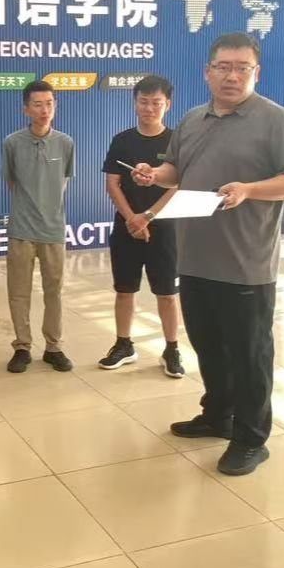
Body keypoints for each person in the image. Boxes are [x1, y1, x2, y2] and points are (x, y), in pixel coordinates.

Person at [132, 32, 284, 475]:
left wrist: (249, 190)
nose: (232, 76)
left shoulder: (276, 121)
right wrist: (154, 174)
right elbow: (177, 170)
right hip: (195, 257)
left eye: (242, 68)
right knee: (208, 345)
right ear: (207, 72)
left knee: (250, 356)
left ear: (256, 73)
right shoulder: (193, 119)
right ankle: (217, 415)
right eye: (223, 67)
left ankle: (251, 439)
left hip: (246, 263)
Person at [100, 74, 185, 377]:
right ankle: (124, 344)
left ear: (167, 105)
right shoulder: (122, 140)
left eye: (156, 103)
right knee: (124, 290)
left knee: (167, 293)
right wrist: (132, 218)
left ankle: (172, 349)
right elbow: (112, 183)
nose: (149, 108)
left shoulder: (176, 141)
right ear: (135, 103)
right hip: (127, 227)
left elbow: (177, 185)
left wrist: (147, 216)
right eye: (143, 102)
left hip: (164, 228)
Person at [2, 79, 76, 373]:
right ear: (25, 109)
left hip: (53, 230)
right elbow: (11, 181)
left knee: (54, 292)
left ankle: (53, 347)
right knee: (18, 292)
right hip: (21, 229)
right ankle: (22, 347)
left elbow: (64, 180)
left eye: (49, 104)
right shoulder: (12, 143)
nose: (44, 110)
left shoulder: (66, 143)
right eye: (37, 104)